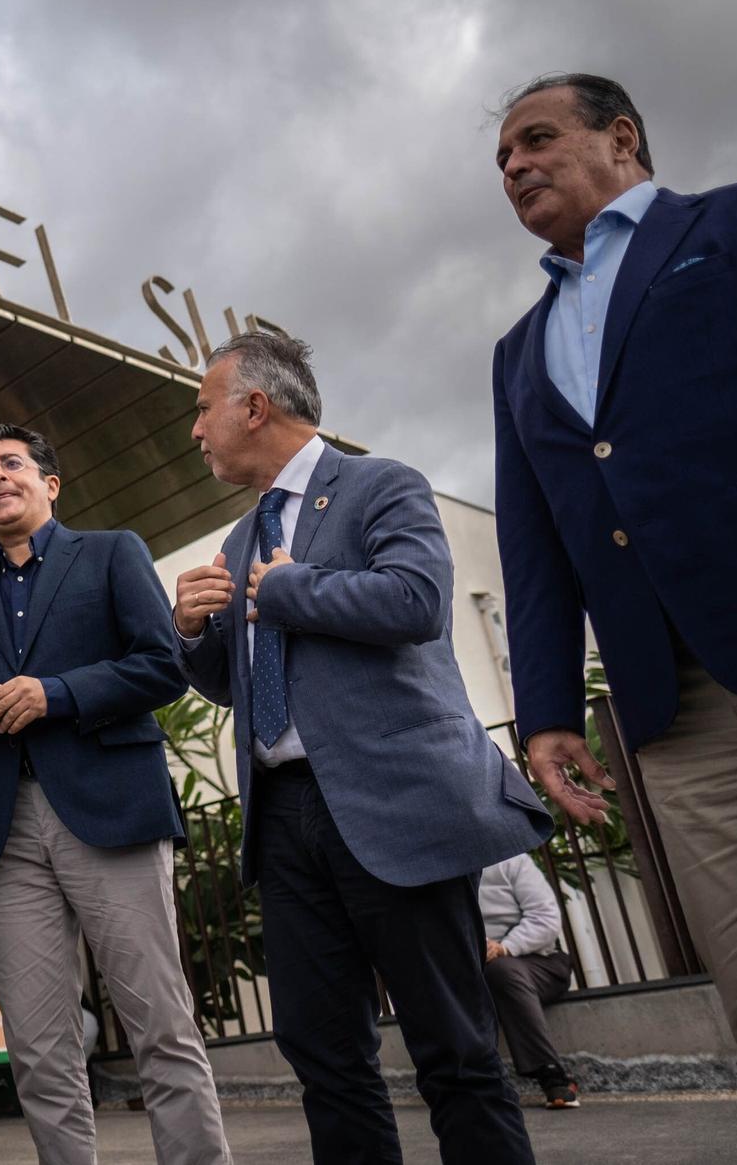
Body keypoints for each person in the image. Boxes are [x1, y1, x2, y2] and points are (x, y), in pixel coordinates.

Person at [489, 72, 737, 1162]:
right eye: (501, 161)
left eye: (535, 139)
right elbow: (530, 552)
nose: (514, 166)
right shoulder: (514, 355)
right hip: (679, 713)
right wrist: (543, 712)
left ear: (621, 137)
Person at [174, 333, 550, 1164]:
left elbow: (417, 601)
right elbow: (244, 681)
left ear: (255, 405)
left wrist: (286, 587)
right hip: (284, 818)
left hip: (392, 808)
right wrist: (193, 631)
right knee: (323, 1055)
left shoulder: (382, 484)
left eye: (204, 409)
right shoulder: (239, 540)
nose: (195, 431)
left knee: (452, 1047)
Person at [0, 423, 230, 1165]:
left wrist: (55, 693)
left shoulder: (114, 551)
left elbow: (162, 665)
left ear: (49, 484)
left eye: (12, 464)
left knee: (160, 1021)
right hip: (5, 828)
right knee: (36, 1041)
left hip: (111, 811)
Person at [477, 854, 578, 1109]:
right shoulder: (438, 869)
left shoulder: (511, 860)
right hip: (475, 970)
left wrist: (504, 947)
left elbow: (546, 918)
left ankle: (551, 1074)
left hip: (540, 961)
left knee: (500, 971)